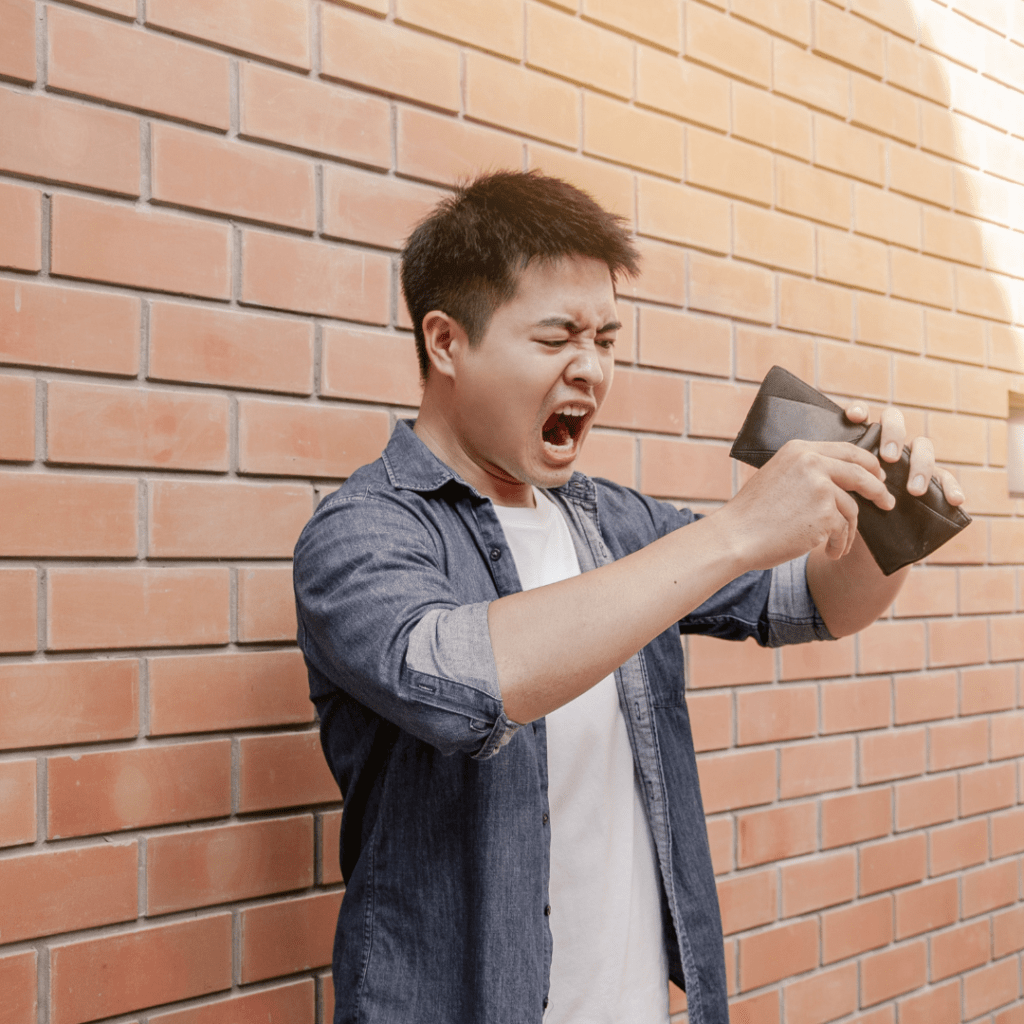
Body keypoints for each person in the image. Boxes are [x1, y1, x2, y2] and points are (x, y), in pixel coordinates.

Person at [292, 171, 966, 1024]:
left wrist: (887, 523)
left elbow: (812, 606)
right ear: (445, 342)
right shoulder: (360, 532)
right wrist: (730, 532)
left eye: (607, 339)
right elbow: (470, 685)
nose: (591, 369)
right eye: (558, 339)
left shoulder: (614, 520)